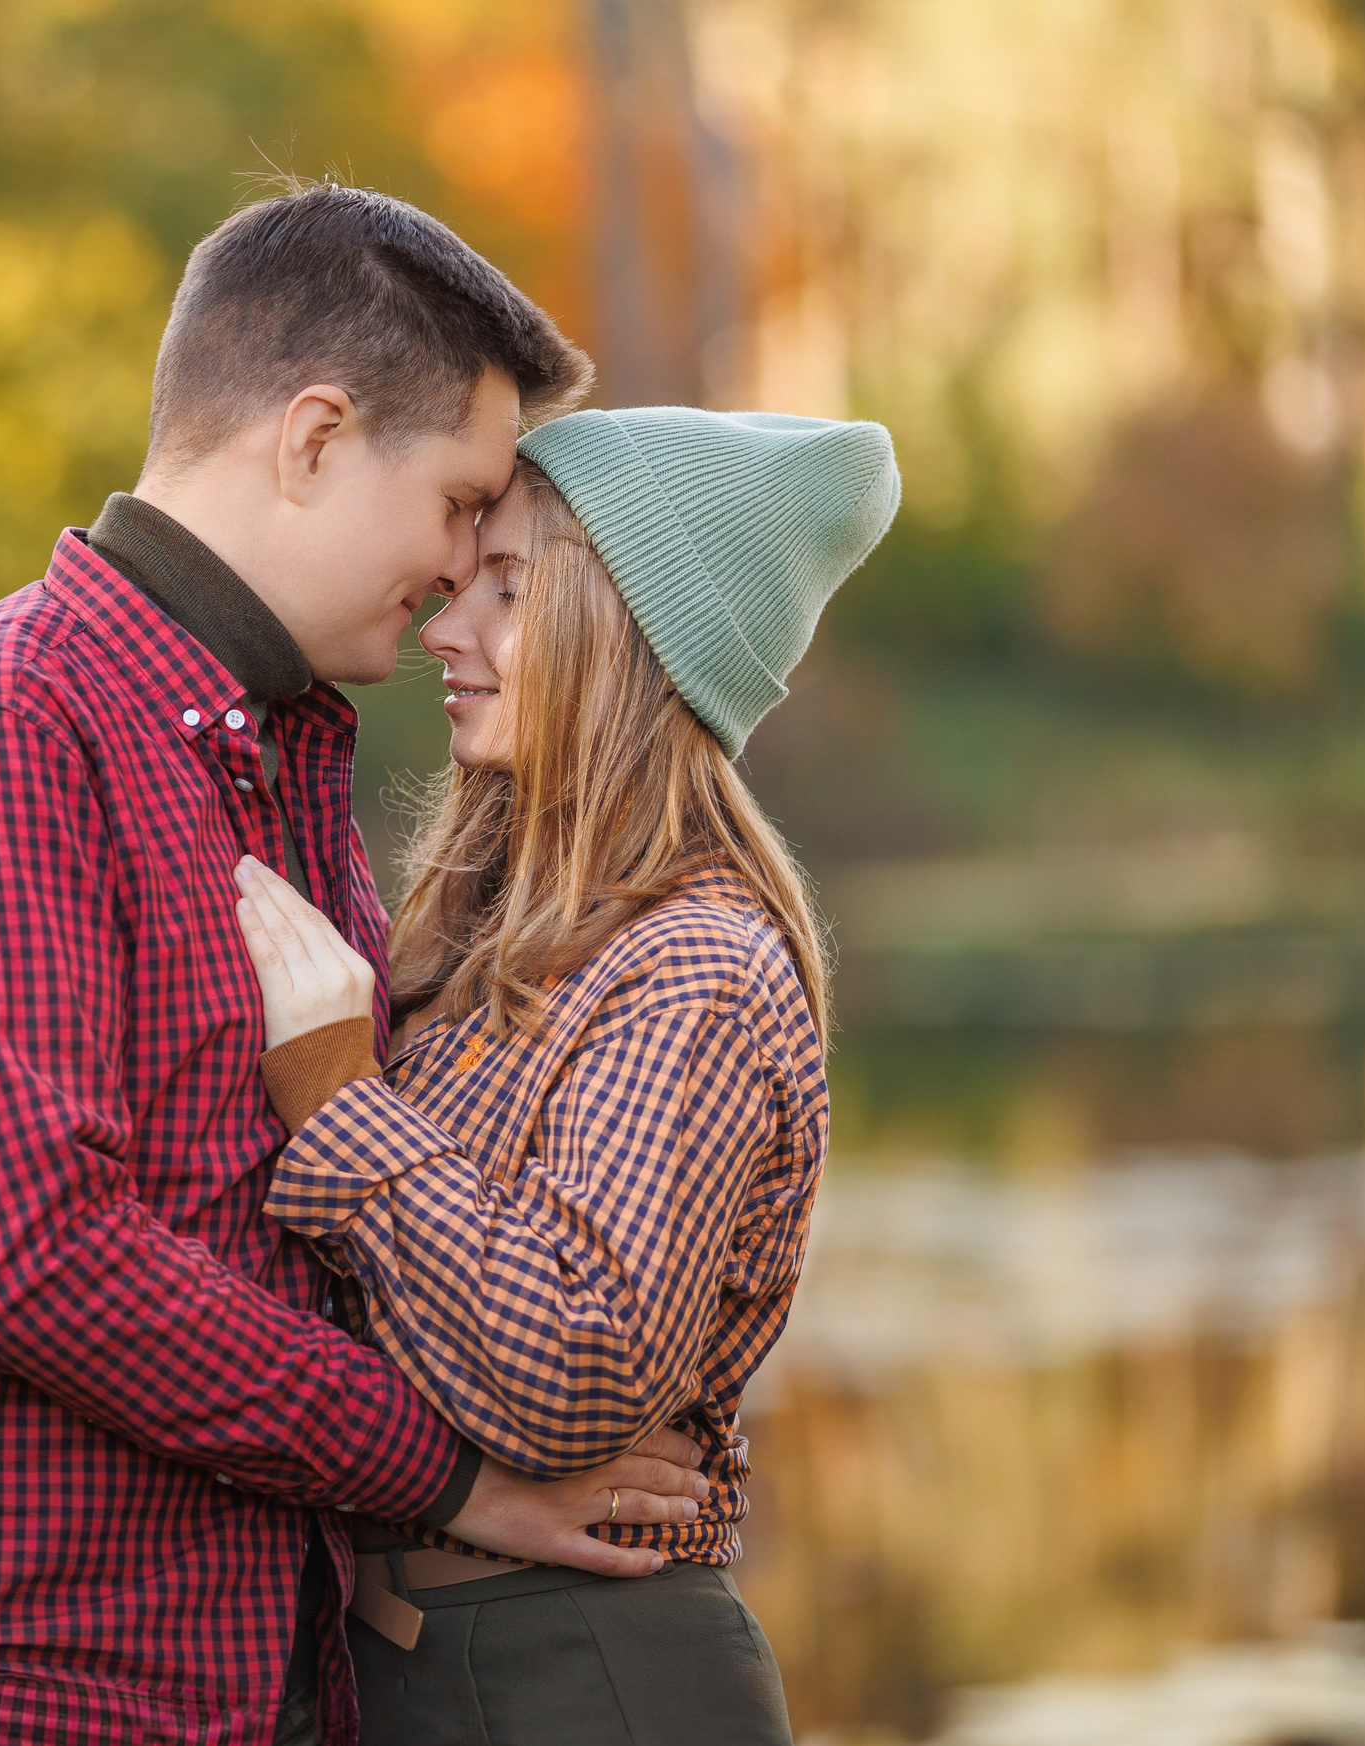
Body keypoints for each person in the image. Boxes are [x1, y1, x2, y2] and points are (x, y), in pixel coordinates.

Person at [0, 183, 719, 1746]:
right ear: (315, 437)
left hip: (234, 1691)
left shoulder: (279, 763)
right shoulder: (1, 724)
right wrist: (462, 1479)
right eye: (464, 502)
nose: (465, 569)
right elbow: (40, 1252)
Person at [232, 406, 901, 1744]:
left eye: (511, 589)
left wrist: (342, 1110)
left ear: (634, 636)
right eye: (461, 577)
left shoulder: (696, 963)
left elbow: (575, 1360)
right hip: (416, 1654)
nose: (442, 628)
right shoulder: (474, 936)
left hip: (579, 1670)